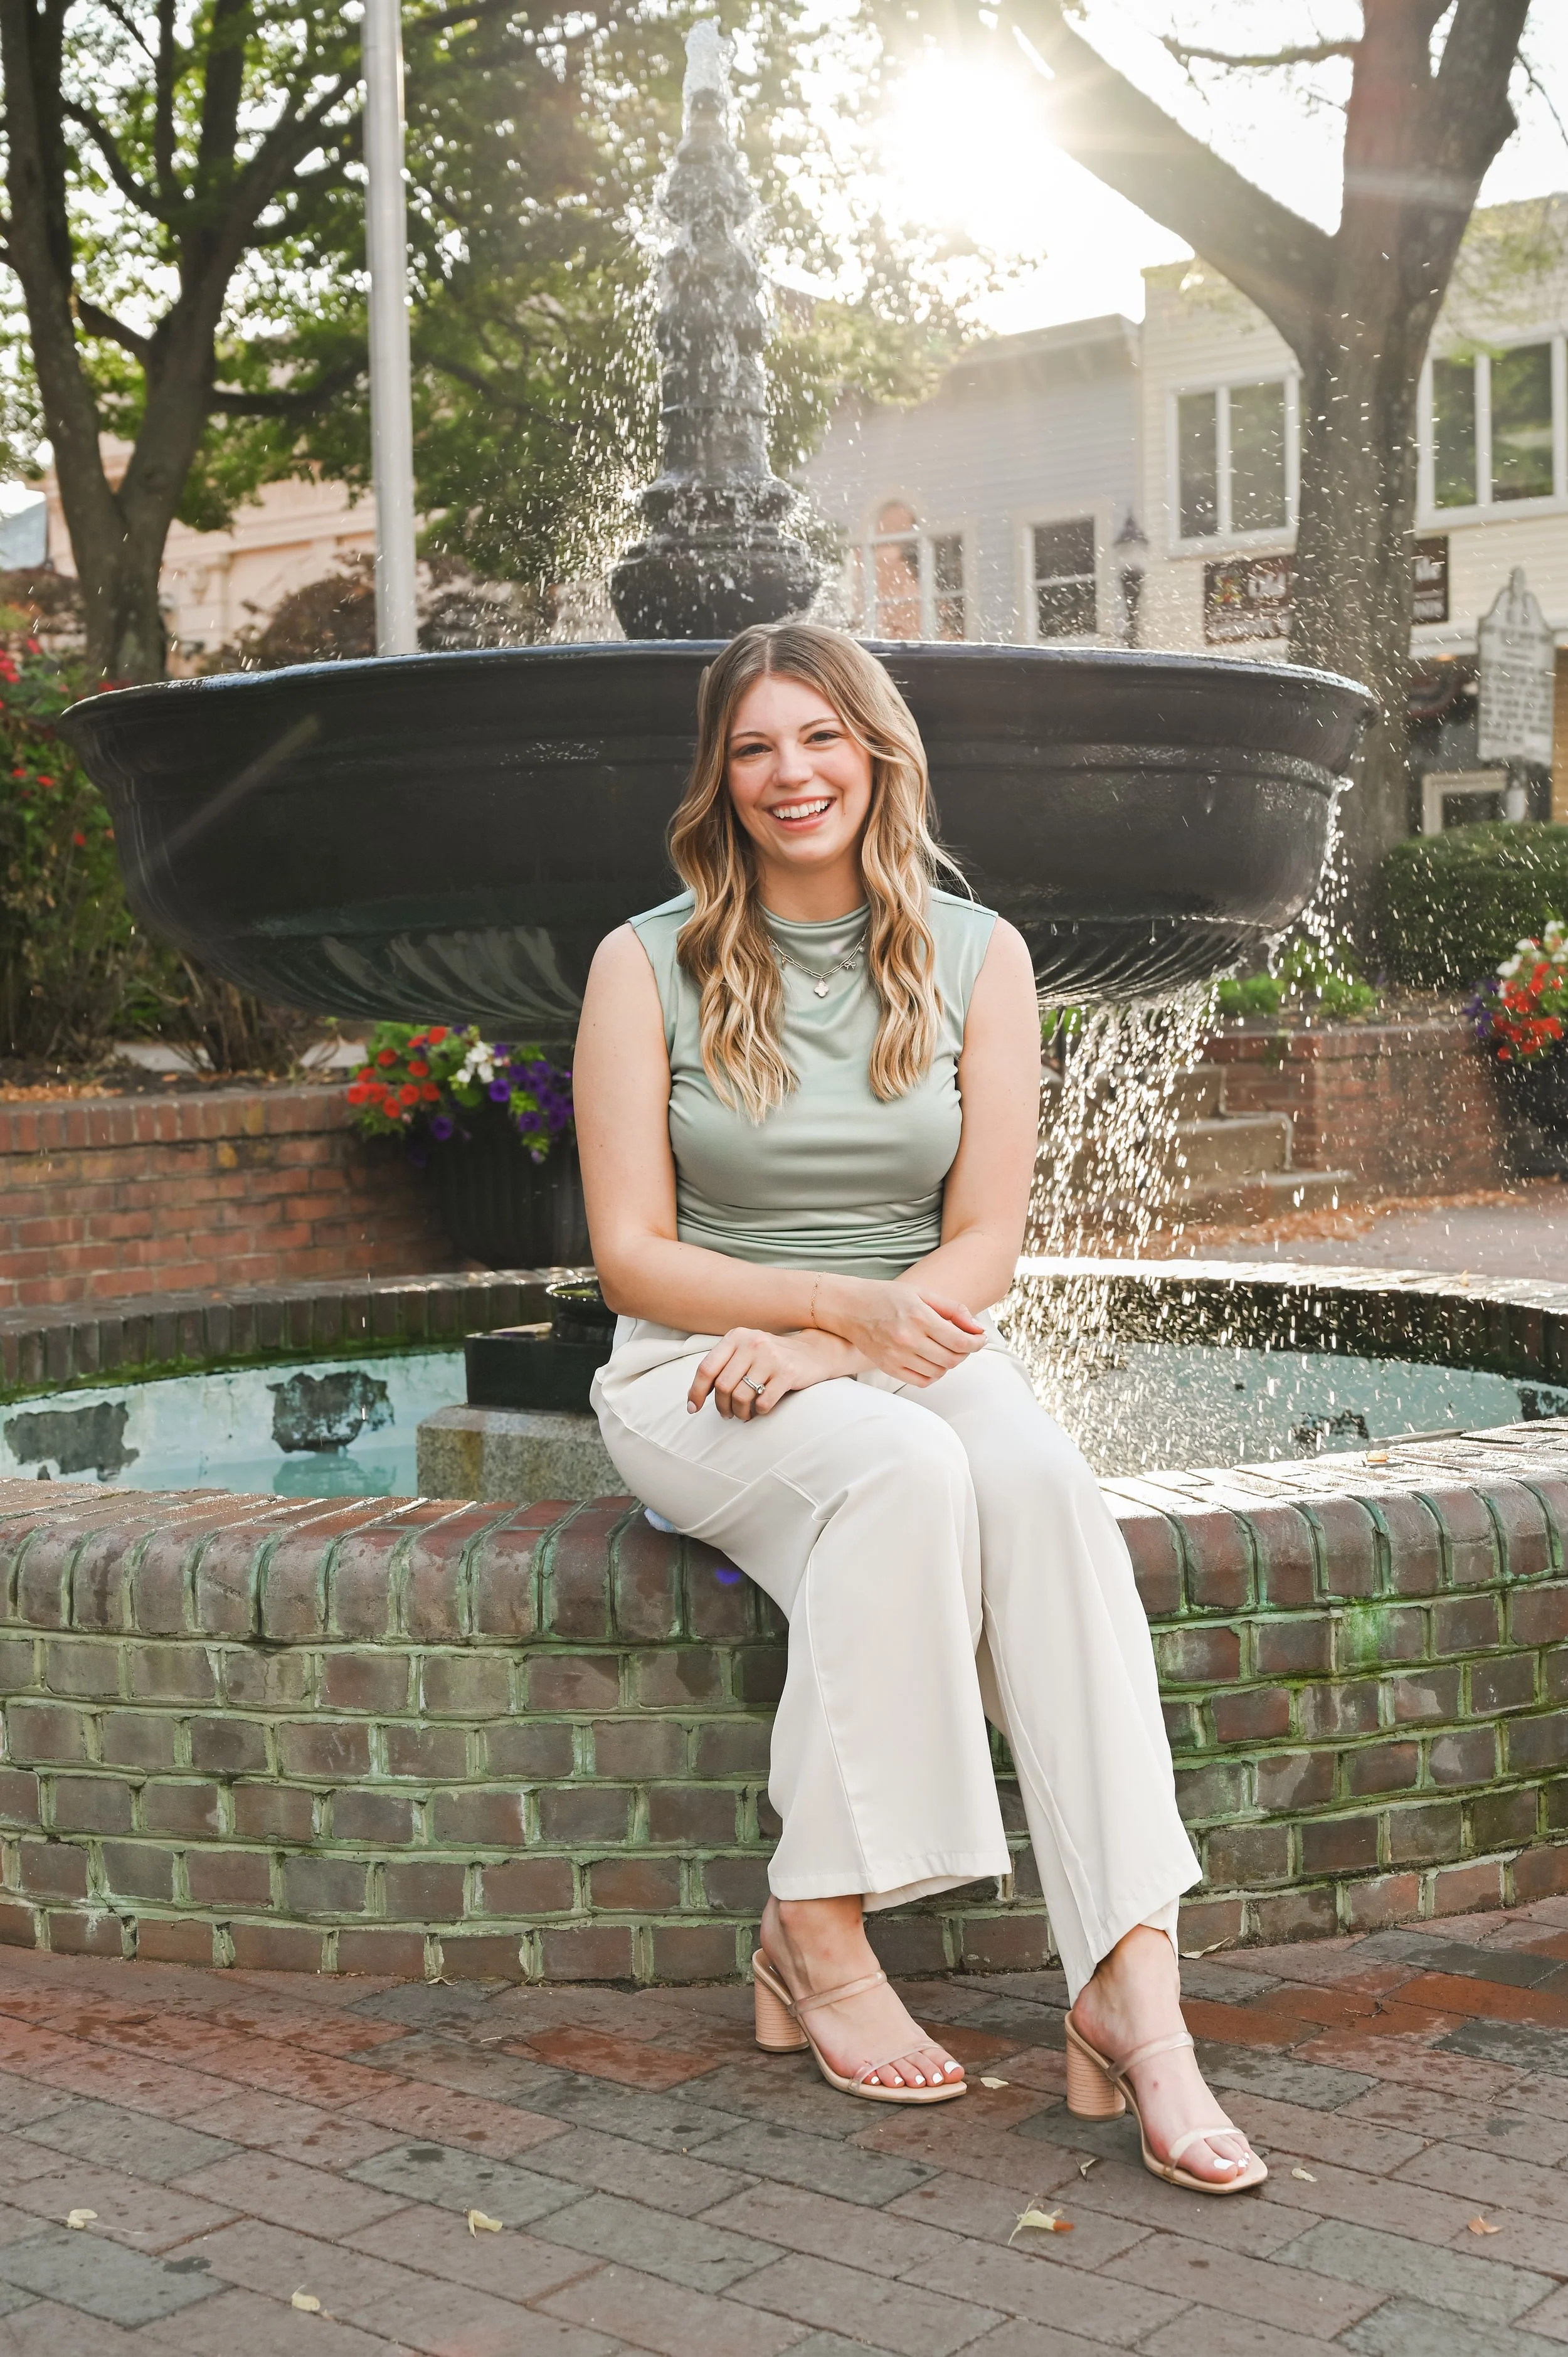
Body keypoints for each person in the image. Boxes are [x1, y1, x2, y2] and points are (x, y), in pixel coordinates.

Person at [573, 622, 1264, 2193]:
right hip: (691, 1367)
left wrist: (852, 1343)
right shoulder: (646, 961)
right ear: (719, 778)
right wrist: (826, 1315)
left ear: (875, 751)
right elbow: (630, 1252)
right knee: (900, 1476)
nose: (787, 775)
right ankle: (814, 1922)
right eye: (752, 749)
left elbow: (983, 1242)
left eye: (816, 738)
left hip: (906, 1345)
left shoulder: (977, 952)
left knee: (1033, 1491)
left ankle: (1132, 1997)